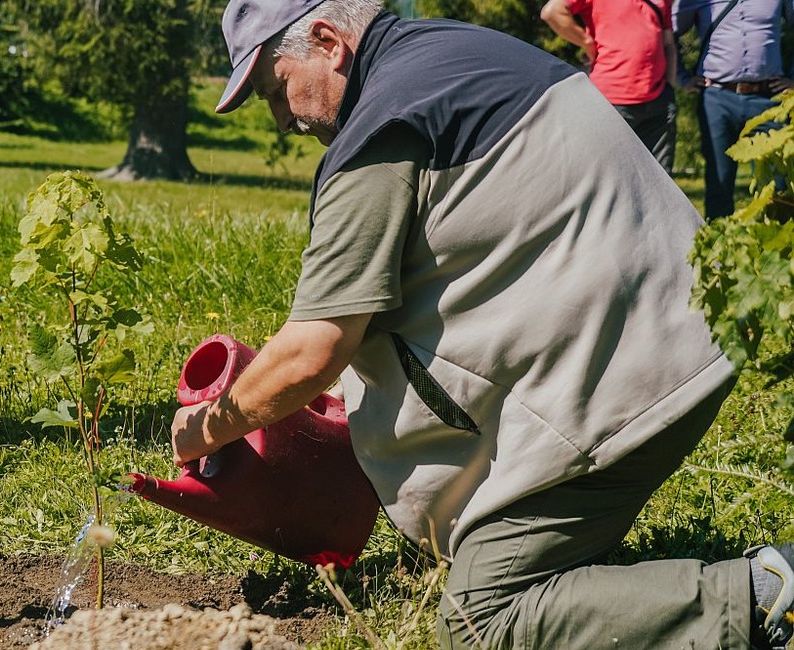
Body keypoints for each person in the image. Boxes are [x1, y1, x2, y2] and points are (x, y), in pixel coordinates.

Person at [170, 0, 794, 647]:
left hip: (642, 379)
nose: (283, 120)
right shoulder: (462, 55)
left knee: (480, 622)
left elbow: (312, 350)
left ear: (327, 42)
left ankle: (767, 598)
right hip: (689, 329)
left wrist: (208, 425)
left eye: (277, 91)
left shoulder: (380, 132)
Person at [674, 0, 794, 220]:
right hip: (717, 100)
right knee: (719, 181)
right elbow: (664, 32)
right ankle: (719, 246)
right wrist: (681, 78)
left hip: (768, 100)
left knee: (779, 183)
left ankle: (779, 247)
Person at [540, 0, 678, 174]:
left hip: (659, 102)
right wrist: (587, 42)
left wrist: (669, 88)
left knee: (660, 180)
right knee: (609, 175)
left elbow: (668, 44)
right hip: (611, 101)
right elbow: (552, 12)